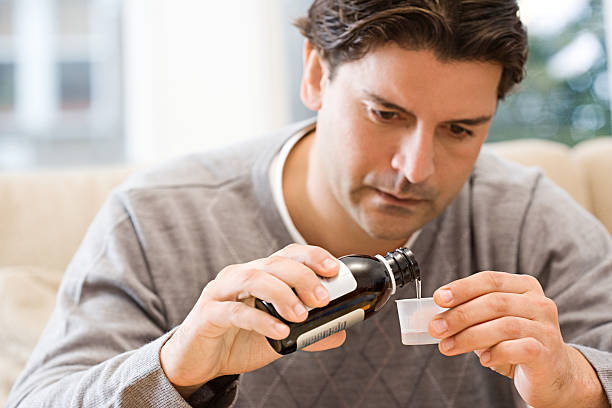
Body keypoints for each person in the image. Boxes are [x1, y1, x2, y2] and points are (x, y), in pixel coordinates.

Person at [8, 0, 612, 407]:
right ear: (316, 76)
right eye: (385, 114)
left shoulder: (527, 217)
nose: (416, 168)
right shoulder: (155, 220)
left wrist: (574, 382)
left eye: (460, 130)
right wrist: (176, 367)